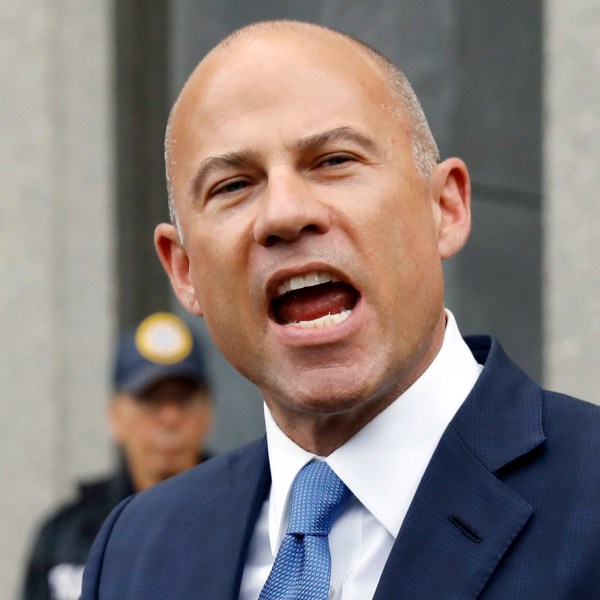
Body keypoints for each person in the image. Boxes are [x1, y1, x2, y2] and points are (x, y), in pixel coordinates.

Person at [82, 20, 600, 599]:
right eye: (232, 185)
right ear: (184, 271)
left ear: (446, 207)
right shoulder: (134, 552)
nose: (284, 213)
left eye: (333, 160)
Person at [22, 312, 213, 600]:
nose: (171, 419)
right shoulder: (66, 537)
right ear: (115, 417)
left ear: (207, 413)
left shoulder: (250, 518)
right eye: (152, 400)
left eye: (183, 399)